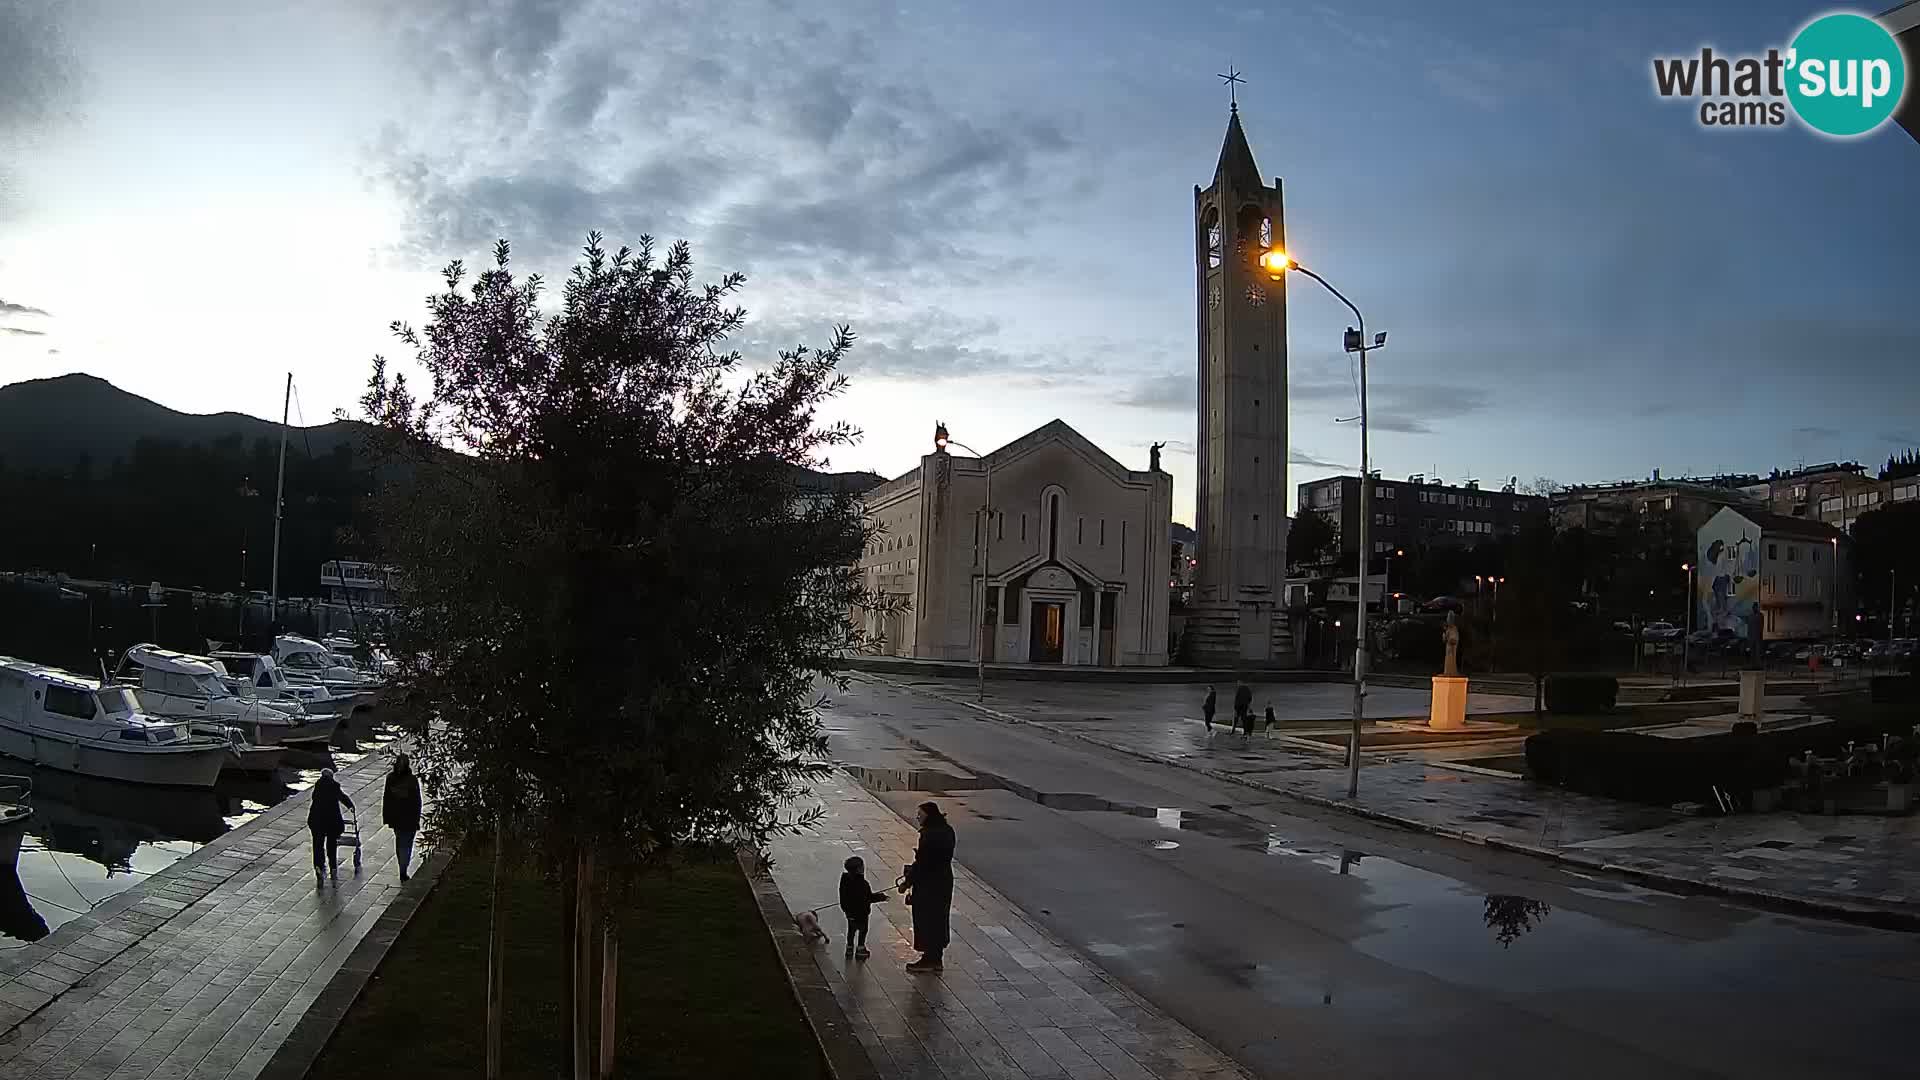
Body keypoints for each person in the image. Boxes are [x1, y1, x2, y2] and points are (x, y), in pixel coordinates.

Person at [899, 801, 955, 972]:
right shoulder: (947, 830)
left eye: (920, 814)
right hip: (944, 881)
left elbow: (923, 863)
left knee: (926, 920)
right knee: (939, 919)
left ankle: (929, 959)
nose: (917, 817)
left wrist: (906, 883)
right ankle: (936, 958)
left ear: (928, 816)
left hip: (928, 885)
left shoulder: (929, 835)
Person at [308, 768, 355, 885]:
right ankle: (333, 866)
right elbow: (342, 797)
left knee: (317, 845)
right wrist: (350, 806)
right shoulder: (334, 786)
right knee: (331, 844)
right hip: (331, 821)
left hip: (316, 821)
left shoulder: (317, 787)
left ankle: (318, 865)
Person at [838, 855, 889, 960]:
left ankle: (849, 948)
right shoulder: (863, 884)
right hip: (861, 913)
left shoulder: (845, 881)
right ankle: (860, 949)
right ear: (860, 869)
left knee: (851, 930)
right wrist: (881, 897)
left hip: (849, 912)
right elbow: (868, 898)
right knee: (863, 930)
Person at [383, 753, 423, 882]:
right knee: (407, 844)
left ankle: (402, 867)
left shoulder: (391, 779)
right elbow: (417, 801)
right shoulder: (412, 780)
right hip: (409, 817)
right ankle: (403, 870)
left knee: (400, 842)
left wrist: (387, 817)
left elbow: (387, 799)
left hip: (396, 818)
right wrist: (417, 817)